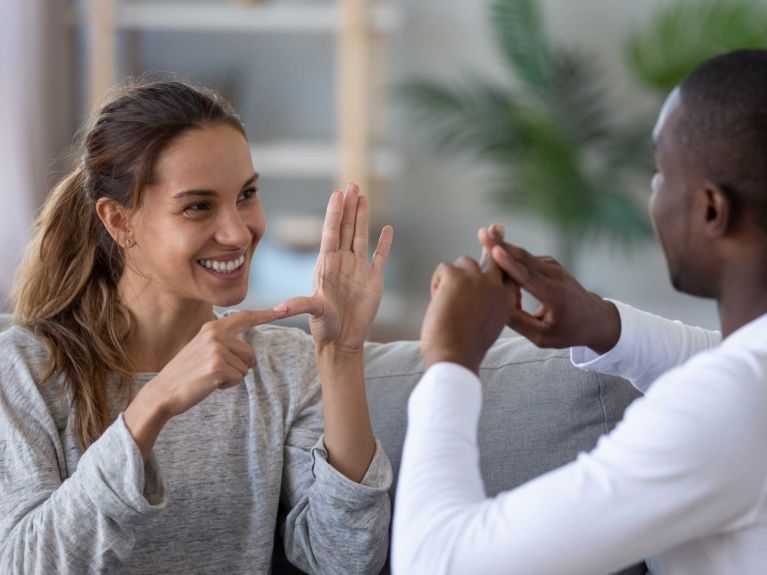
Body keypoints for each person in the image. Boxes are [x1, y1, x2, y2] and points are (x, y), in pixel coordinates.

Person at [392, 49, 767, 574]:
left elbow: (437, 561)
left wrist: (451, 359)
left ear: (711, 209)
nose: (654, 193)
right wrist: (601, 324)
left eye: (661, 174)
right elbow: (728, 360)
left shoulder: (728, 405)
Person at [0, 81, 395, 574]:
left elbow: (345, 561)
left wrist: (342, 355)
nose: (238, 232)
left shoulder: (282, 366)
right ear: (119, 220)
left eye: (247, 195)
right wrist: (154, 404)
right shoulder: (25, 369)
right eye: (198, 206)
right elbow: (24, 565)